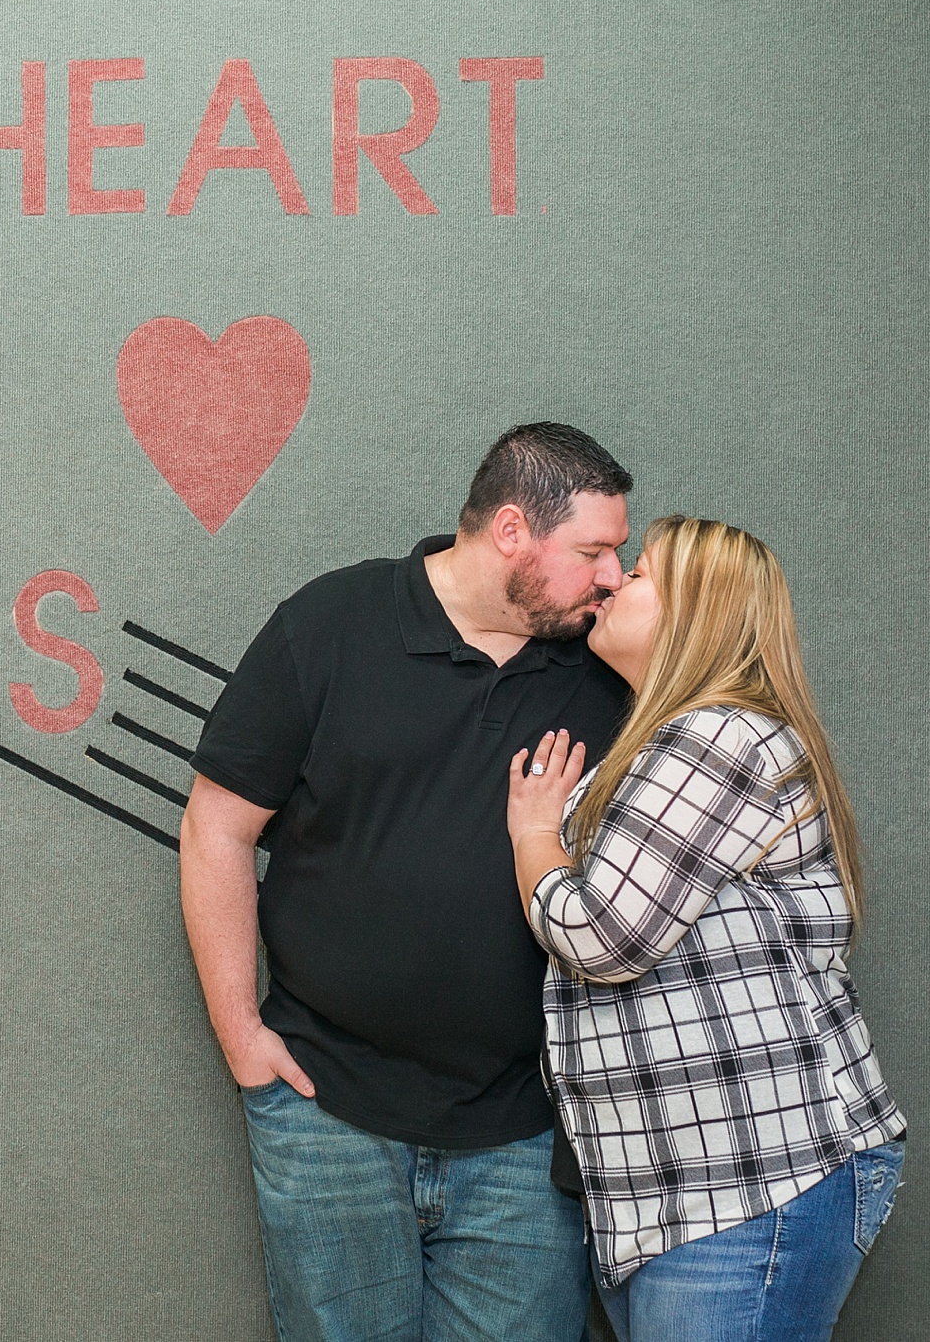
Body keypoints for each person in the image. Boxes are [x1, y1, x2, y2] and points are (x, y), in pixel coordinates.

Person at [182, 422, 635, 1342]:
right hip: (327, 1112)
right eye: (593, 550)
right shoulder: (331, 624)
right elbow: (216, 828)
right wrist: (243, 1038)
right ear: (511, 531)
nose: (613, 576)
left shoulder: (608, 669)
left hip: (525, 1134)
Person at [506, 516, 907, 1342]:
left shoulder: (715, 735)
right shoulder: (673, 738)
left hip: (748, 1188)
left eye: (643, 574)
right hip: (687, 1198)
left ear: (698, 615)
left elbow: (603, 936)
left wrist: (533, 834)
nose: (613, 582)